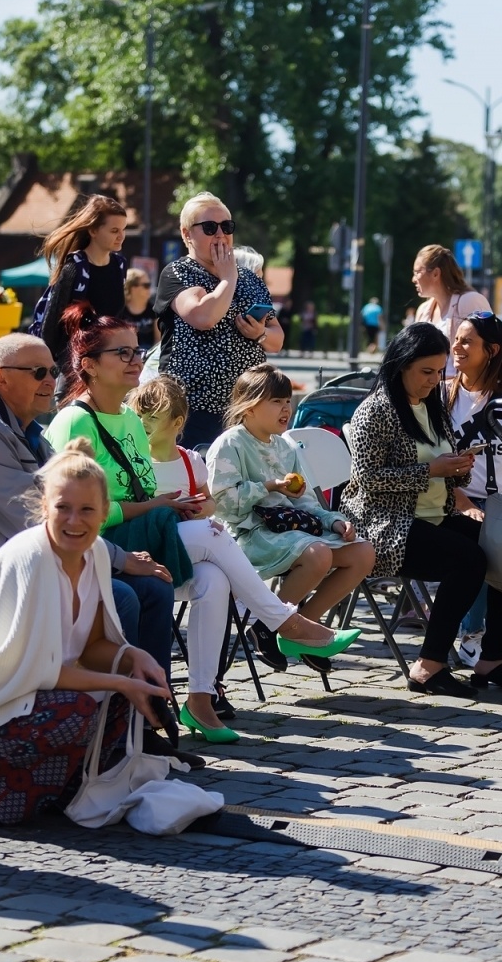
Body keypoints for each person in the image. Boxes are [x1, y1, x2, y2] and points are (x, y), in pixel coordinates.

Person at [46, 306, 357, 742]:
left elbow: (142, 495)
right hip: (98, 543)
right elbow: (67, 511)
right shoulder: (76, 421)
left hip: (147, 535)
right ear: (90, 366)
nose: (137, 360)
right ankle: (283, 621)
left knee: (212, 579)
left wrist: (175, 507)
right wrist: (154, 508)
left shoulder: (132, 421)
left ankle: (200, 700)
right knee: (212, 536)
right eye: (122, 353)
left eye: (137, 351)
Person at [0, 441, 173, 827]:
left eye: (86, 510)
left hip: (22, 694)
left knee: (123, 697)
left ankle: (31, 789)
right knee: (83, 708)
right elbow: (42, 670)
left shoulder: (97, 552)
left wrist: (135, 659)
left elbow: (95, 646)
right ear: (43, 508)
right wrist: (120, 681)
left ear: (104, 513)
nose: (74, 521)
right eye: (62, 508)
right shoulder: (31, 560)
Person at [0, 333, 176, 680]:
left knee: (155, 588)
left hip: (43, 562)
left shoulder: (31, 432)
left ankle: (148, 709)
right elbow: (35, 519)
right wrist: (121, 559)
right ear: (0, 377)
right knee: (121, 597)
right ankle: (103, 712)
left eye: (52, 372)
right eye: (37, 373)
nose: (50, 381)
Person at [340, 323, 502, 699]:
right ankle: (429, 664)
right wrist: (432, 470)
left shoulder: (433, 406)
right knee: (468, 559)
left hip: (430, 517)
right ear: (401, 365)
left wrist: (457, 469)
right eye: (427, 372)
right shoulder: (374, 411)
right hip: (383, 523)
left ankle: (493, 657)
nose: (435, 380)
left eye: (440, 372)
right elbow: (368, 481)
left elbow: (441, 469)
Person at [205, 365, 376, 666]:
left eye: (288, 400)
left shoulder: (286, 446)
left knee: (362, 552)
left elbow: (307, 501)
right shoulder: (230, 443)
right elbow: (223, 505)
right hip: (247, 534)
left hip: (290, 530)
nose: (287, 408)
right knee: (318, 554)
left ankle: (298, 629)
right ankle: (274, 623)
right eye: (276, 401)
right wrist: (268, 486)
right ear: (249, 406)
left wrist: (332, 521)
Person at [153, 192, 283, 448]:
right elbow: (204, 317)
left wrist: (260, 334)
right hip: (194, 408)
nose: (220, 234)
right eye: (210, 228)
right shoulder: (179, 272)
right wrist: (228, 279)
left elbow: (276, 340)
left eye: (227, 226)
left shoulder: (250, 278)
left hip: (247, 408)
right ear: (187, 234)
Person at [444, 312, 502, 666]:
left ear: (492, 350)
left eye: (467, 341)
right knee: (479, 546)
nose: (457, 346)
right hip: (457, 499)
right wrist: (460, 499)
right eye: (457, 339)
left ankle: (494, 643)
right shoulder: (444, 394)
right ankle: (472, 633)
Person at [34, 194, 130, 379]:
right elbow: (51, 325)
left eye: (123, 229)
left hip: (107, 361)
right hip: (73, 366)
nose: (121, 236)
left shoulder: (120, 265)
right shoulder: (74, 268)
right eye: (114, 230)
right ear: (93, 231)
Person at [412, 245, 491, 345]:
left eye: (417, 272)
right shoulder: (423, 311)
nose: (413, 279)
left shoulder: (470, 301)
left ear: (436, 273)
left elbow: (489, 345)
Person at [122, 267, 157, 348]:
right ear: (132, 287)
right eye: (146, 285)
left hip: (148, 355)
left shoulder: (154, 310)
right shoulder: (120, 310)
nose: (149, 289)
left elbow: (158, 340)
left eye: (149, 285)